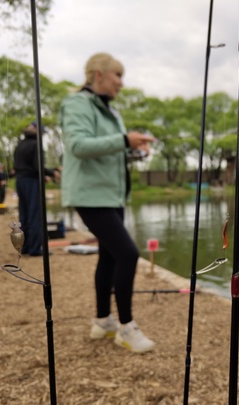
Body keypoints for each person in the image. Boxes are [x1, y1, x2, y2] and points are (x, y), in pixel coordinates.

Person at [59, 53, 156, 353]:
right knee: (129, 254)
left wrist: (132, 150)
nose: (121, 83)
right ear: (98, 74)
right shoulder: (76, 104)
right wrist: (125, 141)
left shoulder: (111, 112)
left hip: (112, 196)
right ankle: (126, 328)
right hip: (90, 195)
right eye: (117, 75)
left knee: (110, 256)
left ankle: (102, 321)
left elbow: (110, 148)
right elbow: (78, 145)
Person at [13, 121, 61, 256]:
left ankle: (26, 247)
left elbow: (23, 166)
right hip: (31, 183)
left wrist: (43, 176)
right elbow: (37, 167)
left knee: (24, 215)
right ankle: (35, 249)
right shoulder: (36, 144)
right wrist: (53, 173)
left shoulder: (20, 144)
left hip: (20, 182)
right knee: (35, 215)